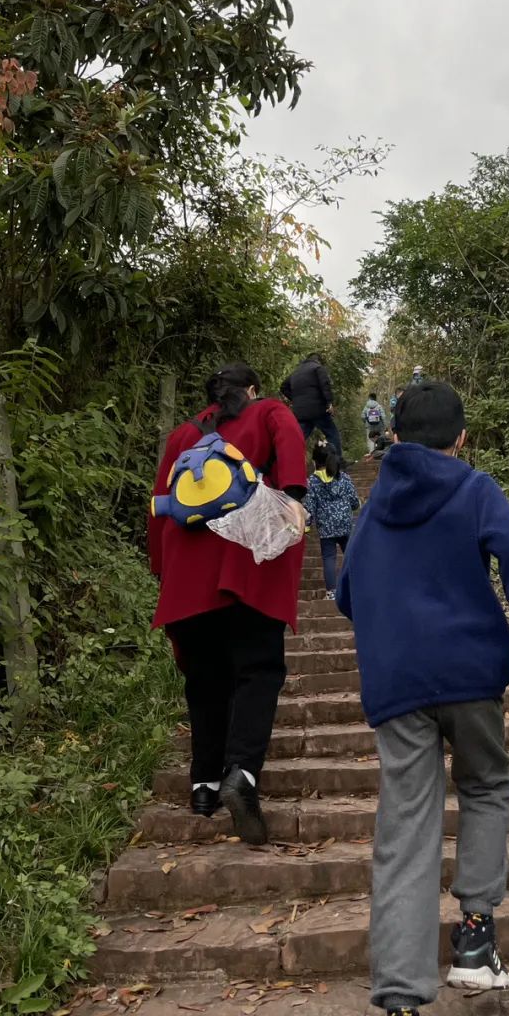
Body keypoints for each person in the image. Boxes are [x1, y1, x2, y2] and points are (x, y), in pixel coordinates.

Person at [336, 381, 509, 1013]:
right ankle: (474, 944)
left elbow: (346, 592)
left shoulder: (373, 507)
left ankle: (400, 997)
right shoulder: (475, 490)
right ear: (461, 438)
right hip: (470, 675)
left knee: (406, 828)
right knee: (488, 785)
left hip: (398, 686)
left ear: (394, 438)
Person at [148, 363, 308, 844]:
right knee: (257, 671)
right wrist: (296, 497)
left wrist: (164, 572)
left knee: (205, 681)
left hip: (186, 585)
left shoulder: (182, 437)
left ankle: (203, 785)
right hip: (246, 576)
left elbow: (161, 506)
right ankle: (243, 774)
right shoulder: (268, 412)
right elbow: (291, 444)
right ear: (252, 389)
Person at [303, 440, 361, 599]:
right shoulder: (344, 478)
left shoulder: (312, 482)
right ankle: (358, 585)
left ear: (315, 461)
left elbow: (309, 506)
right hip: (345, 523)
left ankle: (332, 592)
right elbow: (354, 501)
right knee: (351, 554)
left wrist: (306, 526)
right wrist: (355, 506)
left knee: (329, 558)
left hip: (326, 526)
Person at [281, 352, 344, 454]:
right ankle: (338, 461)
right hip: (318, 410)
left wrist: (295, 399)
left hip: (301, 413)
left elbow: (283, 387)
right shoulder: (318, 368)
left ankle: (286, 460)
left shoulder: (296, 372)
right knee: (332, 433)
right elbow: (325, 385)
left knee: (298, 438)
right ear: (318, 360)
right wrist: (329, 403)